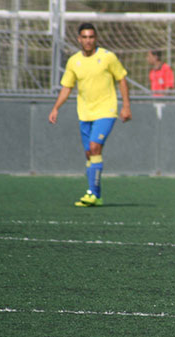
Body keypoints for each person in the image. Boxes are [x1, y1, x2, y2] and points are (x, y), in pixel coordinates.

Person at [48, 22, 132, 207]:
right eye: (84, 37)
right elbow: (67, 87)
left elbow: (122, 79)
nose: (88, 40)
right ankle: (96, 195)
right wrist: (56, 108)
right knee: (89, 153)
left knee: (94, 147)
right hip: (85, 113)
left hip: (106, 110)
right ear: (79, 39)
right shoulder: (74, 61)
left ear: (96, 38)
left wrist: (126, 106)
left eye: (91, 37)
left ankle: (92, 193)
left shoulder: (108, 57)